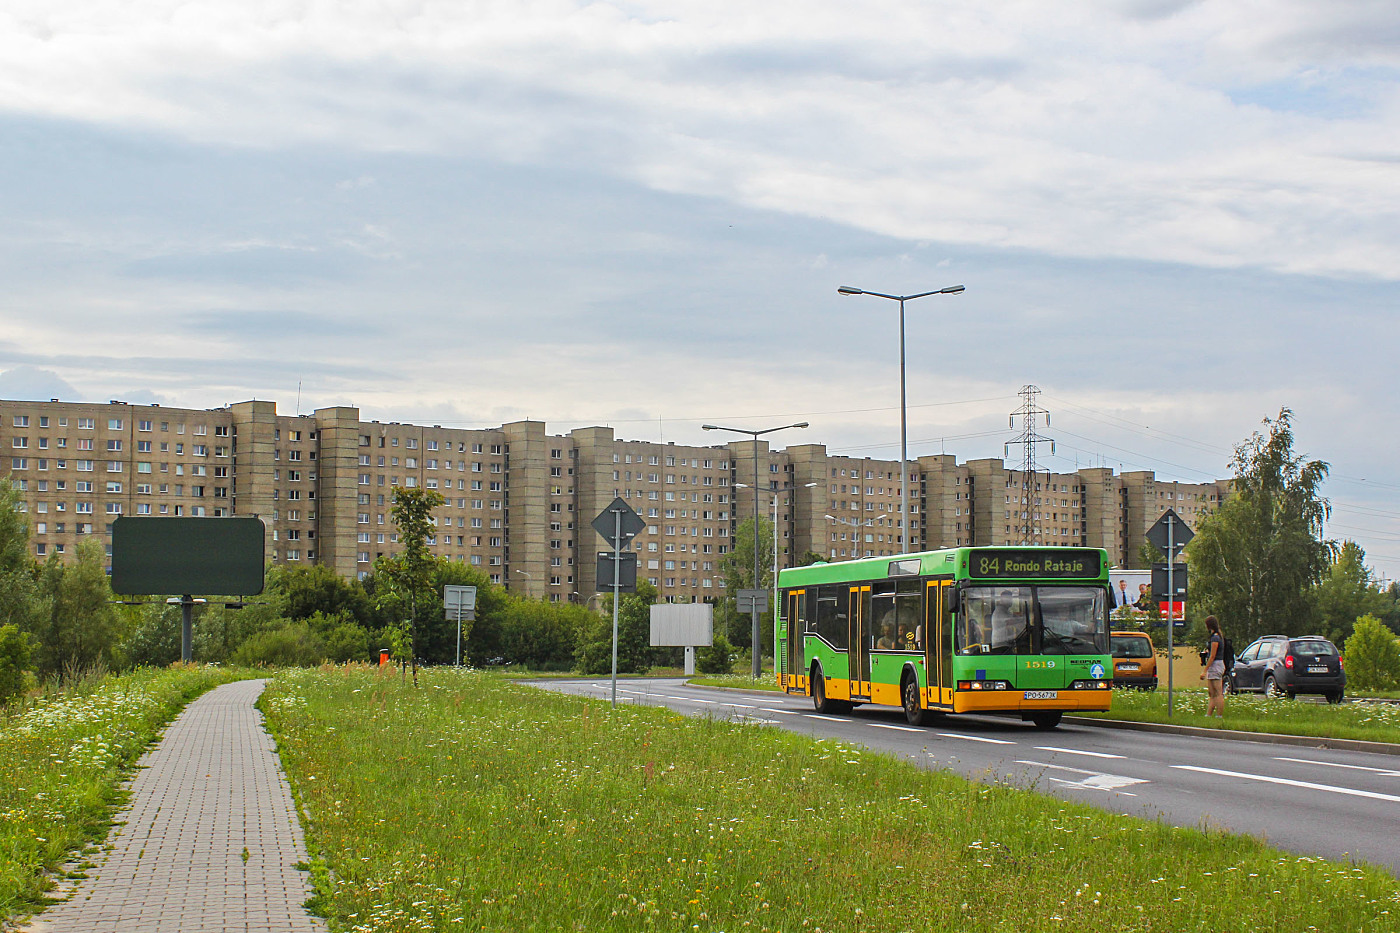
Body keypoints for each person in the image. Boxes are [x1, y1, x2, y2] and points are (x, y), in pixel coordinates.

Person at [1200, 615, 1226, 718]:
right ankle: (1209, 714)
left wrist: (1204, 670)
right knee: (1211, 693)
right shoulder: (1215, 636)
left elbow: (1213, 656)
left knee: (1218, 692)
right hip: (1213, 666)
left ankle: (1219, 715)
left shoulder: (1215, 637)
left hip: (1216, 665)